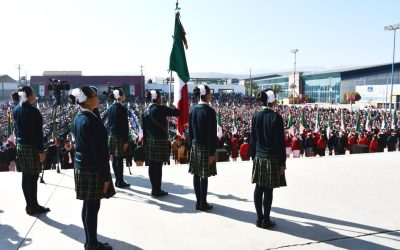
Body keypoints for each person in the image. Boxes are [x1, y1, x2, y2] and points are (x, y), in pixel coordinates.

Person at [69, 86, 115, 250]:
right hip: (92, 167)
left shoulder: (79, 117)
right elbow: (100, 152)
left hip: (82, 164)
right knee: (93, 207)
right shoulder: (91, 121)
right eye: (95, 96)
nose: (98, 99)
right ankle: (92, 244)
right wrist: (105, 177)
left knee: (88, 205)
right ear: (87, 100)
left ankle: (90, 241)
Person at [250, 89, 286, 229]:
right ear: (271, 101)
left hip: (259, 155)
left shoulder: (255, 116)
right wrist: (282, 162)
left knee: (259, 188)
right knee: (268, 190)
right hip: (271, 157)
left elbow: (253, 139)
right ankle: (266, 219)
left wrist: (253, 156)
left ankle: (259, 219)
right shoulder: (276, 117)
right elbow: (279, 143)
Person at [12, 86, 50, 215]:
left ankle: (29, 205)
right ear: (29, 96)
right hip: (32, 147)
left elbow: (16, 130)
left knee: (26, 177)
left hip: (21, 146)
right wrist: (41, 150)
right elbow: (37, 133)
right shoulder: (33, 111)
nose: (35, 94)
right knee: (33, 177)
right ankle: (33, 206)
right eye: (33, 92)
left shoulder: (16, 109)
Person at [142, 90, 179, 197]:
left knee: (152, 165)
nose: (161, 99)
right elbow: (177, 113)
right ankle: (157, 190)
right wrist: (174, 104)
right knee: (158, 166)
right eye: (160, 97)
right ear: (156, 98)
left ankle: (154, 188)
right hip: (159, 140)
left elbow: (144, 130)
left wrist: (145, 144)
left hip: (149, 141)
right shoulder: (160, 108)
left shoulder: (145, 111)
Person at [188, 84, 217, 211]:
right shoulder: (210, 111)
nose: (211, 95)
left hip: (195, 145)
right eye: (210, 93)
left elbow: (190, 132)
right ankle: (203, 203)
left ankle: (198, 201)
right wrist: (212, 152)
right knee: (204, 176)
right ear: (205, 94)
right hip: (205, 147)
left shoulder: (193, 110)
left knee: (196, 174)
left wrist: (190, 148)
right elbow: (212, 134)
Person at [107, 87, 130, 188]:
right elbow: (125, 126)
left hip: (112, 136)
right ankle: (120, 181)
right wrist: (126, 140)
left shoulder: (111, 108)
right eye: (123, 94)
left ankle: (117, 179)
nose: (124, 96)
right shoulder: (122, 108)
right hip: (120, 136)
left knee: (114, 159)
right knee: (119, 160)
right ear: (120, 96)